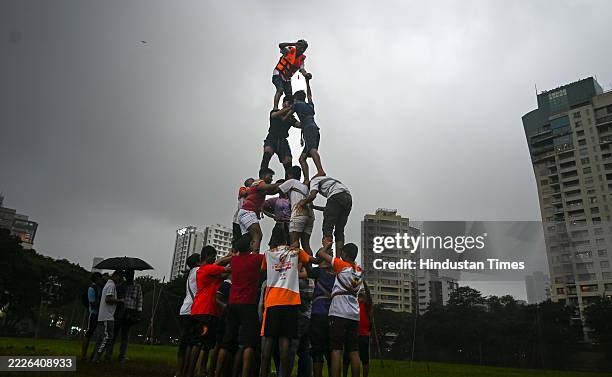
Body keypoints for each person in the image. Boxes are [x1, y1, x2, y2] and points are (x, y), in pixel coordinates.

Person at [259, 245, 318, 377]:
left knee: (268, 341)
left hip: (273, 300)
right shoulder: (296, 251)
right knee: (285, 341)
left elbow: (263, 270)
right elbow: (314, 261)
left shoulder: (268, 253)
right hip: (290, 300)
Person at [215, 236, 264, 377]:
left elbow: (218, 263)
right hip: (248, 304)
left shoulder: (234, 260)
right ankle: (244, 373)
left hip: (232, 304)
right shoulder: (256, 259)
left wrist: (230, 256)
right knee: (249, 343)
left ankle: (217, 372)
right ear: (249, 245)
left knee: (227, 341)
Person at [316, 242, 363, 377]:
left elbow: (320, 254)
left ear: (345, 254)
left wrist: (327, 245)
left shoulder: (341, 265)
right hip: (354, 314)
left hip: (339, 312)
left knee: (336, 349)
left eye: (342, 252)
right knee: (353, 351)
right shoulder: (359, 270)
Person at [187, 246, 231, 377]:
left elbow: (224, 273)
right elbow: (227, 269)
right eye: (213, 256)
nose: (215, 258)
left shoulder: (209, 272)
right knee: (199, 342)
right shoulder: (207, 269)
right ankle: (191, 372)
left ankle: (199, 371)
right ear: (207, 256)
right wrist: (236, 257)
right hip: (204, 311)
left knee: (206, 344)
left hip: (205, 311)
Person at [297, 175, 352, 252]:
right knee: (339, 230)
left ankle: (328, 254)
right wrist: (314, 207)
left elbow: (312, 196)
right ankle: (338, 259)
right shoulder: (328, 181)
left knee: (327, 228)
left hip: (336, 196)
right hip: (348, 197)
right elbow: (329, 210)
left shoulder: (314, 181)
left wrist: (303, 202)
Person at [287, 76, 324, 184]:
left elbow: (288, 115)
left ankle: (320, 170)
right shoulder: (310, 105)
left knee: (312, 150)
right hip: (314, 130)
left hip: (309, 130)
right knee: (302, 158)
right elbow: (309, 95)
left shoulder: (297, 104)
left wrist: (284, 117)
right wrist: (307, 82)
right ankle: (306, 179)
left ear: (296, 98)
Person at [237, 167, 281, 252]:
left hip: (245, 213)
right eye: (270, 176)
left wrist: (280, 187)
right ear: (264, 176)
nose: (272, 179)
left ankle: (244, 257)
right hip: (248, 212)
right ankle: (254, 257)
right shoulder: (259, 182)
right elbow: (269, 187)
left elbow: (272, 191)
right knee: (258, 235)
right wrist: (281, 184)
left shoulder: (259, 186)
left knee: (248, 239)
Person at [308, 257, 336, 377]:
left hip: (318, 313)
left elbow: (308, 271)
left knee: (317, 350)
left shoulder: (318, 271)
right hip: (332, 314)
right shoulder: (337, 274)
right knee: (331, 351)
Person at [279, 166, 315, 255]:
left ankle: (295, 267)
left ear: (290, 175)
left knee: (294, 243)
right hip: (310, 215)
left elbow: (277, 190)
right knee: (306, 244)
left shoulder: (292, 181)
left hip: (299, 212)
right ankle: (309, 266)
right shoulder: (305, 187)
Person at [262, 96, 301, 178]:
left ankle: (288, 181)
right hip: (272, 137)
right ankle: (262, 176)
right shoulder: (275, 111)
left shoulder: (291, 118)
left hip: (283, 140)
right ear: (283, 103)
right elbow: (274, 115)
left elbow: (298, 124)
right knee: (267, 152)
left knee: (288, 160)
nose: (290, 105)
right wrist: (292, 107)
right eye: (289, 102)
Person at [108, 269, 142, 362]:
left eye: (131, 274)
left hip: (130, 312)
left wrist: (138, 313)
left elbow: (139, 300)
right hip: (120, 311)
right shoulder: (120, 286)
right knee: (114, 334)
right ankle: (109, 355)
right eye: (128, 275)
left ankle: (122, 356)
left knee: (125, 335)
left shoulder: (137, 286)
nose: (130, 276)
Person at [176, 253, 201, 377]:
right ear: (197, 263)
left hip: (185, 310)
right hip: (193, 310)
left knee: (184, 343)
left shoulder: (191, 273)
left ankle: (180, 371)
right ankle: (186, 371)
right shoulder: (198, 270)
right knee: (193, 342)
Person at [92, 270, 124, 362]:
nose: (121, 280)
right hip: (107, 317)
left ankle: (93, 357)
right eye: (120, 278)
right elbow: (108, 299)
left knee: (100, 339)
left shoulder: (108, 284)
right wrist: (120, 300)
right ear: (116, 276)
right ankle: (96, 357)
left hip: (103, 316)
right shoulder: (111, 285)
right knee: (107, 338)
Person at [342, 284, 372, 377]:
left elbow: (369, 295)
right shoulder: (354, 304)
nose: (361, 297)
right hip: (352, 333)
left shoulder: (367, 305)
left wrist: (363, 282)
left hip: (363, 335)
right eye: (359, 295)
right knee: (346, 357)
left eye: (362, 295)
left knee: (364, 359)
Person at [272, 40, 310, 110]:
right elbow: (281, 45)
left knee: (289, 97)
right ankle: (275, 108)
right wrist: (294, 44)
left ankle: (285, 110)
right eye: (301, 47)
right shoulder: (289, 51)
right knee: (280, 90)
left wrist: (306, 75)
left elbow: (302, 70)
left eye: (304, 48)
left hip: (287, 78)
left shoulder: (301, 59)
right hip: (278, 73)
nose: (302, 50)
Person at [82, 272, 104, 360]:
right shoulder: (91, 289)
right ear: (97, 279)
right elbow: (92, 303)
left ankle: (93, 354)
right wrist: (101, 302)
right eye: (100, 279)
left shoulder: (100, 288)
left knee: (99, 335)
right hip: (94, 314)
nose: (101, 280)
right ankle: (84, 354)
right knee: (89, 333)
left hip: (99, 314)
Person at [262, 184, 291, 248]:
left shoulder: (292, 200)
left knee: (291, 245)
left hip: (290, 224)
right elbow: (262, 206)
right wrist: (272, 216)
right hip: (279, 224)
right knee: (274, 245)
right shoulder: (274, 200)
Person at [232, 179, 255, 243]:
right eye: (252, 181)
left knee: (247, 238)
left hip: (248, 219)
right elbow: (243, 193)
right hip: (238, 220)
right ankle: (234, 251)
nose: (254, 182)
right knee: (236, 238)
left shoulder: (254, 195)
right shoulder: (243, 189)